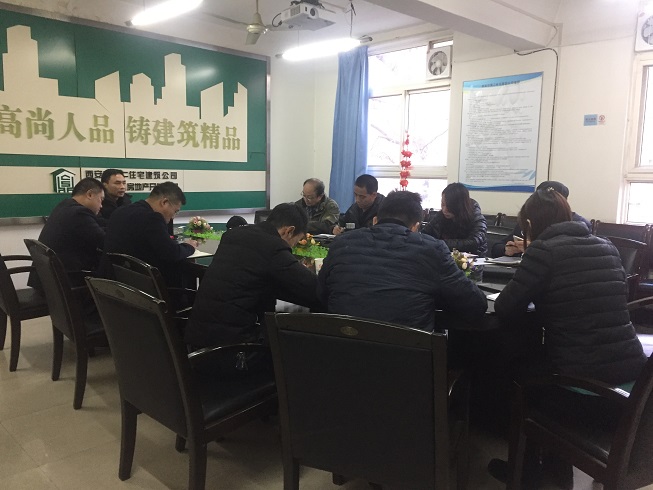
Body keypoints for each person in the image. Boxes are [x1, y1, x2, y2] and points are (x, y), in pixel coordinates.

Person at [488, 187, 647, 487]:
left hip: (588, 393)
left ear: (530, 225)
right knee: (543, 361)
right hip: (634, 387)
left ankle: (526, 474)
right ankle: (553, 466)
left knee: (517, 372)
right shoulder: (607, 245)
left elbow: (505, 308)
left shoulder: (543, 251)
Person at [318, 190, 487, 331]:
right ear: (415, 227)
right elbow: (476, 304)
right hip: (407, 353)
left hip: (341, 348)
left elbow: (321, 294)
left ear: (375, 220)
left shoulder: (341, 243)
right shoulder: (432, 249)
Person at [185, 202, 320, 348]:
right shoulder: (273, 247)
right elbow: (313, 288)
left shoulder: (233, 235)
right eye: (296, 241)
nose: (292, 247)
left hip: (197, 337)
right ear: (289, 231)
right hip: (232, 348)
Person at [99, 182, 198, 286]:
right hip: (138, 287)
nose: (173, 216)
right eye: (175, 211)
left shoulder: (120, 211)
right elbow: (171, 253)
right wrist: (189, 246)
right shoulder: (152, 218)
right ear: (164, 202)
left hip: (110, 282)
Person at [28, 177, 105, 289]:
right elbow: (103, 240)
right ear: (90, 194)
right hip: (66, 283)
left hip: (47, 281)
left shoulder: (65, 205)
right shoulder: (79, 213)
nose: (101, 205)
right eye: (101, 199)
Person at [491, 180, 592, 258]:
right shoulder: (529, 219)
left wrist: (535, 249)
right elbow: (496, 247)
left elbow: (571, 255)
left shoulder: (578, 225)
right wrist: (507, 249)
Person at [422, 182, 488, 256]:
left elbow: (473, 243)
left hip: (474, 260)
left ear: (459, 206)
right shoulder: (440, 216)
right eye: (443, 204)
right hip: (446, 257)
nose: (444, 210)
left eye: (449, 206)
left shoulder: (477, 218)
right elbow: (424, 234)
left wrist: (440, 243)